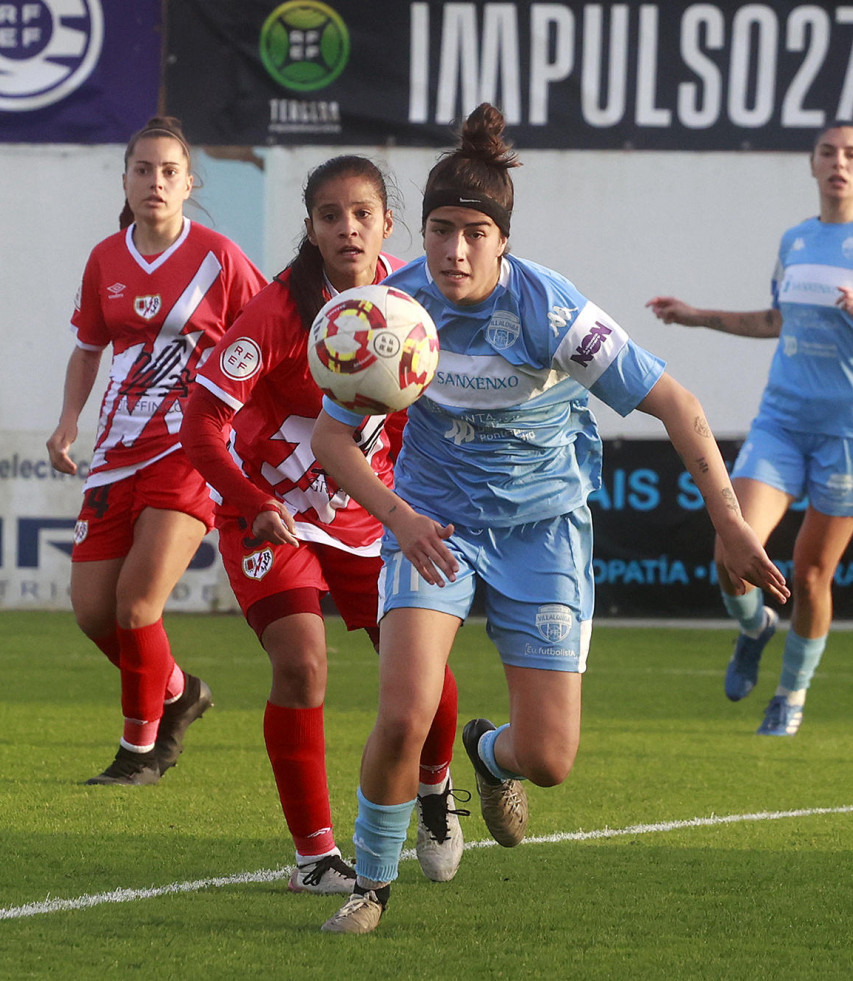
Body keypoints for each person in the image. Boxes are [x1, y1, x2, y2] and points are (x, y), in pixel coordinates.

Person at [310, 103, 789, 934]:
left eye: (472, 232)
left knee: (550, 758)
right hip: (434, 529)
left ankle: (489, 754)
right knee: (401, 708)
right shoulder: (389, 312)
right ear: (417, 231)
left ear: (502, 240)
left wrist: (731, 523)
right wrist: (400, 515)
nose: (453, 250)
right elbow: (330, 435)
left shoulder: (550, 311)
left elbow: (674, 403)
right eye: (438, 229)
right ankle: (370, 886)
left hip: (542, 532)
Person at [180, 155, 468, 894]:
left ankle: (434, 791)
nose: (347, 228)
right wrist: (250, 501)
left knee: (424, 675)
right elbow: (202, 422)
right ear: (309, 229)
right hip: (274, 517)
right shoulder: (279, 310)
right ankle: (314, 856)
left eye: (361, 214)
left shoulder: (413, 302)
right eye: (330, 216)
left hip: (370, 515)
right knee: (302, 663)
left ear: (386, 225)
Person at [46, 116, 267, 785]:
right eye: (143, 169)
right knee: (93, 612)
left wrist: (253, 432)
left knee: (137, 606)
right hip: (116, 450)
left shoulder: (219, 258)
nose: (155, 182)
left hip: (189, 452)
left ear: (189, 181)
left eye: (169, 171)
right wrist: (67, 423)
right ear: (125, 179)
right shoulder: (105, 258)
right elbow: (88, 349)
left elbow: (267, 335)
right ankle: (180, 690)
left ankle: (139, 751)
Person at [646, 121, 853, 737]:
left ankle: (790, 696)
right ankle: (754, 626)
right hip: (782, 423)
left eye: (851, 153)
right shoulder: (796, 241)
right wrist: (695, 316)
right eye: (828, 152)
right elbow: (774, 320)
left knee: (813, 575)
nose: (839, 162)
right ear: (812, 164)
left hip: (845, 436)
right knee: (730, 551)